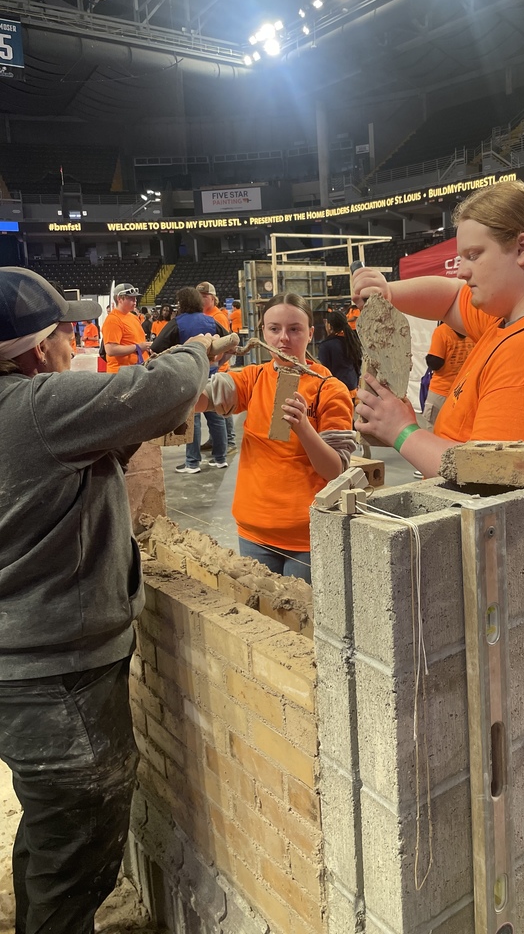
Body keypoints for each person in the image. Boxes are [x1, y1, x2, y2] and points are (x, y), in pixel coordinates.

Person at [352, 181, 524, 934]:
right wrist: (386, 289)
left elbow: (491, 478)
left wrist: (402, 431)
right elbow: (443, 299)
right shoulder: (517, 312)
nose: (460, 271)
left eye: (473, 254)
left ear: (523, 250)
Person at [0, 266, 214, 934]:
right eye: (67, 333)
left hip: (21, 671)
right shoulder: (37, 405)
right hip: (56, 678)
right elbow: (170, 384)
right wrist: (199, 346)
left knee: (50, 823)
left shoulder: (27, 416)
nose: (74, 344)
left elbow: (51, 478)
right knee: (80, 843)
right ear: (40, 348)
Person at [199, 293, 356, 584]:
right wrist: (195, 359)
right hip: (253, 531)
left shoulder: (329, 389)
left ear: (311, 333)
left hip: (306, 537)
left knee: (300, 624)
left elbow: (334, 470)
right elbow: (199, 399)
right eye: (274, 329)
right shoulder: (253, 378)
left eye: (294, 329)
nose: (284, 339)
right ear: (262, 333)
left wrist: (304, 429)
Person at [152, 286, 231, 473]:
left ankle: (192, 462)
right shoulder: (211, 321)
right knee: (216, 416)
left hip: (189, 375)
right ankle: (220, 458)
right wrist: (219, 363)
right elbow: (230, 344)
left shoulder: (178, 323)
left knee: (192, 418)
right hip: (211, 373)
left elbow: (156, 347)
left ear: (181, 303)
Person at [197, 282, 237, 453]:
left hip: (218, 369)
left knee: (222, 406)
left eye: (204, 296)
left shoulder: (217, 316)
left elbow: (227, 345)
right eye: (199, 296)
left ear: (213, 298)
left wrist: (218, 364)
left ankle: (229, 442)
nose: (201, 299)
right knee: (215, 409)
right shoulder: (204, 315)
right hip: (211, 368)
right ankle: (215, 440)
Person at [422, 322, 475, 431]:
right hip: (462, 393)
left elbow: (435, 363)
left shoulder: (442, 331)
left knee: (433, 431)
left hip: (441, 391)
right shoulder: (473, 331)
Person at [102, 282, 152, 372]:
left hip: (137, 369)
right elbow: (111, 350)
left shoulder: (133, 317)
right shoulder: (113, 320)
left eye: (135, 298)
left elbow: (137, 341)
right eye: (131, 298)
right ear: (119, 299)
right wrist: (138, 347)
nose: (135, 301)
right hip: (121, 373)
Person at [317, 309, 362, 393]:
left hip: (336, 391)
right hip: (352, 387)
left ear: (330, 326)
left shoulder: (326, 346)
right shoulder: (351, 341)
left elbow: (324, 372)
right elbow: (358, 364)